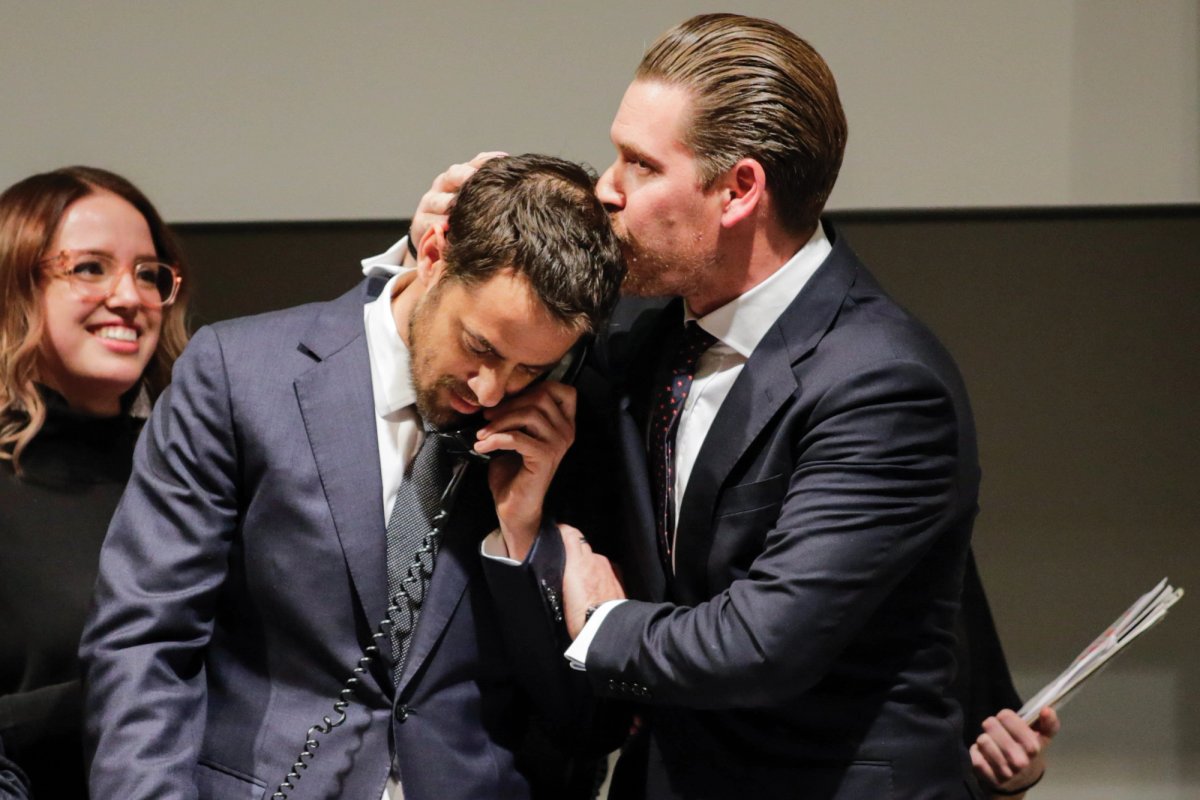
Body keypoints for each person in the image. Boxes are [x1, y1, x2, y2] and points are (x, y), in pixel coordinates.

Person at [409, 14, 1058, 798]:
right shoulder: (640, 341)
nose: (605, 188)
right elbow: (470, 374)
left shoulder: (882, 379)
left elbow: (765, 640)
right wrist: (438, 262)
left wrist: (605, 621)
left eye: (640, 164)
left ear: (739, 190)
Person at [79, 154, 625, 800]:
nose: (491, 389)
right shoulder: (237, 375)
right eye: (480, 347)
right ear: (433, 250)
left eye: (530, 369)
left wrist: (525, 538)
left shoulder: (561, 434)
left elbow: (583, 723)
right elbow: (145, 643)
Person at [0, 166, 189, 798]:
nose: (130, 297)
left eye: (148, 273)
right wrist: (135, 692)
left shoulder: (196, 475)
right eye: (89, 268)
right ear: (14, 287)